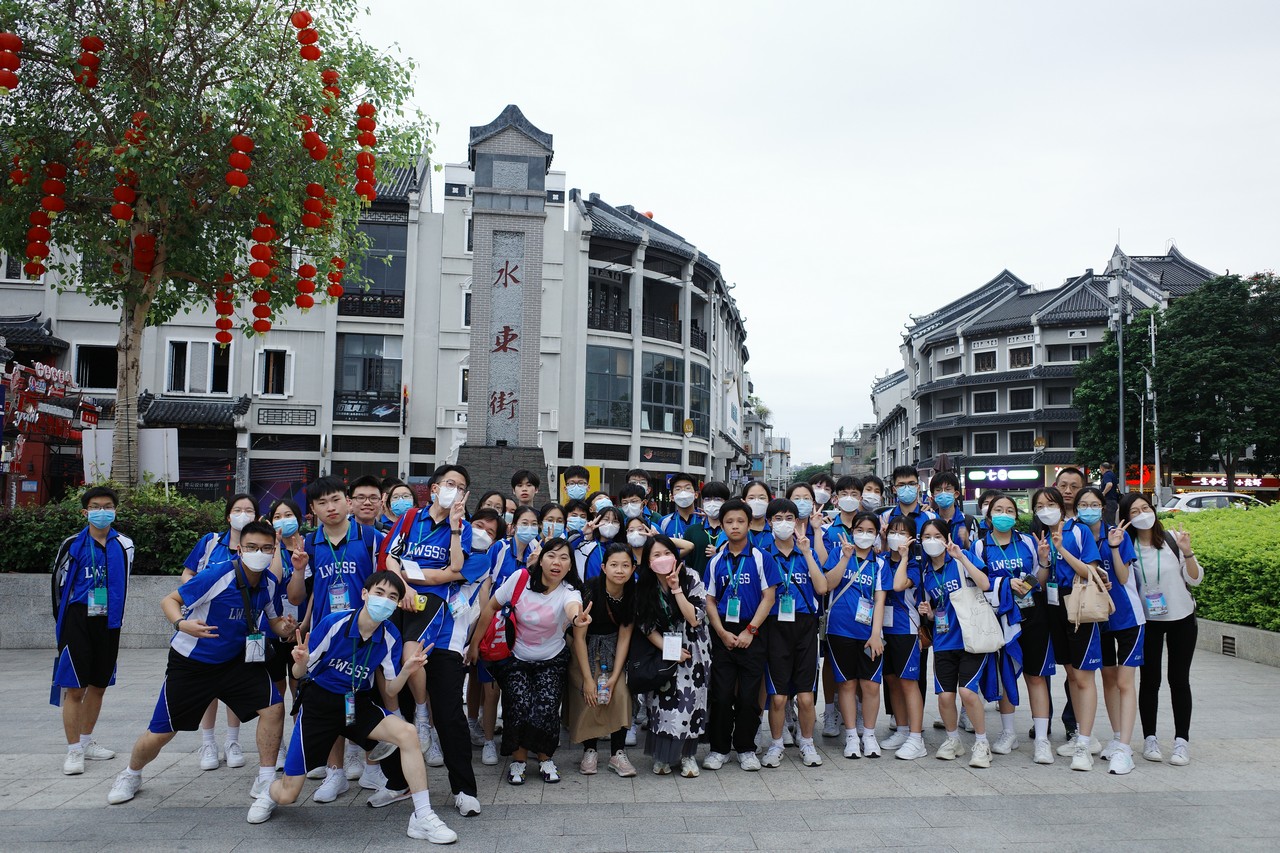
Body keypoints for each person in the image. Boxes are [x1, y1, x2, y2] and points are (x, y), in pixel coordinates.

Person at [248, 572, 457, 844]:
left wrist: (407, 670)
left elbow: (391, 690)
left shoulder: (390, 635)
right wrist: (300, 661)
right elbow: (299, 674)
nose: (385, 600)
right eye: (379, 593)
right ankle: (268, 792)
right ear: (364, 594)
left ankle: (423, 816)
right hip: (319, 703)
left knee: (408, 733)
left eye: (392, 597)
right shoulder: (334, 622)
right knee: (288, 794)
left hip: (356, 702)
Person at [107, 521, 294, 806]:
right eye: (252, 547)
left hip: (236, 662)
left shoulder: (268, 582)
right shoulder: (218, 574)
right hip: (193, 663)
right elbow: (169, 600)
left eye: (266, 548)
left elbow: (274, 621)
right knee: (161, 732)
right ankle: (131, 773)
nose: (259, 553)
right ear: (240, 549)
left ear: (273, 551)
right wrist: (182, 624)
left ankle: (266, 778)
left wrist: (286, 628)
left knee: (274, 707)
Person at [383, 464, 484, 818]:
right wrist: (407, 586)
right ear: (435, 487)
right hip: (403, 610)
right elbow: (391, 558)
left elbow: (454, 570)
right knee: (400, 704)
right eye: (449, 483)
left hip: (445, 631)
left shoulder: (466, 530)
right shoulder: (410, 518)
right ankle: (398, 782)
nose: (454, 490)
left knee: (450, 712)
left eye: (461, 486)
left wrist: (455, 528)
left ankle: (464, 789)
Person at [467, 538, 588, 785]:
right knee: (518, 705)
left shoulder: (570, 591)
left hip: (552, 658)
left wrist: (577, 619)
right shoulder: (520, 579)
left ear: (570, 565)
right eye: (551, 556)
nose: (557, 562)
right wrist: (475, 644)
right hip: (516, 657)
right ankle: (519, 760)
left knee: (546, 707)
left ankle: (545, 758)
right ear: (541, 560)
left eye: (564, 558)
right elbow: (490, 608)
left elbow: (573, 608)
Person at [289, 476, 383, 794]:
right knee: (330, 701)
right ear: (313, 509)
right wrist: (299, 569)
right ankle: (335, 773)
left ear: (348, 501)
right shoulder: (309, 544)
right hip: (327, 636)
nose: (330, 507)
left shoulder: (370, 538)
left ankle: (372, 769)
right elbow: (298, 597)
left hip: (365, 633)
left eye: (335, 499)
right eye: (322, 503)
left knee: (367, 699)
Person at [51, 485, 135, 775]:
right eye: (96, 507)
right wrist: (62, 624)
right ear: (85, 512)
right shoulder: (72, 544)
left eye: (108, 506)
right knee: (75, 687)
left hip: (108, 621)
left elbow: (124, 582)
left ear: (115, 510)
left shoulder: (125, 544)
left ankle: (86, 742)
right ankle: (73, 750)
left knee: (99, 685)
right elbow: (57, 585)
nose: (102, 511)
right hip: (77, 619)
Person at [972, 493, 1055, 764]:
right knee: (1005, 674)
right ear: (989, 516)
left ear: (1016, 516)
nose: (1004, 514)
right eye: (998, 510)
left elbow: (1040, 579)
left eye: (1009, 510)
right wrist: (1006, 585)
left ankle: (1041, 740)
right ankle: (1008, 733)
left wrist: (1043, 562)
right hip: (1001, 618)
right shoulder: (981, 546)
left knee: (1036, 677)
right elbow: (980, 583)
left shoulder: (1029, 542)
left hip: (1033, 615)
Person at [1121, 493, 1201, 767]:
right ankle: (1150, 739)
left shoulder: (1171, 540)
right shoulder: (1127, 546)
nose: (1142, 514)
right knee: (1149, 681)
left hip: (1182, 617)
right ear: (1127, 518)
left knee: (1179, 680)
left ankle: (1182, 741)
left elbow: (1195, 579)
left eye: (1145, 508)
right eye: (1134, 511)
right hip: (1148, 622)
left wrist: (1187, 551)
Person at [180, 492, 257, 772]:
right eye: (238, 510)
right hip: (207, 628)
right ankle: (208, 742)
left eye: (249, 510)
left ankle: (233, 742)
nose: (243, 515)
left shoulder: (257, 548)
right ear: (228, 516)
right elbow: (188, 574)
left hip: (240, 628)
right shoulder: (211, 542)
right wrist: (196, 593)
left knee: (234, 686)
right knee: (209, 689)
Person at [703, 498, 781, 772]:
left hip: (753, 631)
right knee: (722, 695)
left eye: (740, 521)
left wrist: (750, 631)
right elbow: (709, 600)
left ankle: (746, 748)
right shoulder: (716, 561)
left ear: (749, 524)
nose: (734, 526)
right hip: (723, 631)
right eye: (729, 522)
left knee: (749, 697)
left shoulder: (762, 558)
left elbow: (769, 598)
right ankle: (719, 748)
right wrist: (721, 632)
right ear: (722, 525)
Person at [1032, 486, 1103, 771]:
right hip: (1052, 606)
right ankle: (1079, 735)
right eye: (1040, 506)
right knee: (1071, 673)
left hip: (1078, 604)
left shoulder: (1079, 531)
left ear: (1062, 507)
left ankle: (1085, 743)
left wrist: (1061, 548)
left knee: (1084, 675)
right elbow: (1039, 581)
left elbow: (1091, 572)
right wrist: (1044, 559)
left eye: (1050, 504)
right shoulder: (1039, 537)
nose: (1045, 510)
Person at [1075, 486, 1143, 775]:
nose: (1089, 509)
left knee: (1125, 682)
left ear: (1103, 507)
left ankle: (1124, 749)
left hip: (1127, 617)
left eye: (1094, 504)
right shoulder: (1075, 536)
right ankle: (1117, 737)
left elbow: (1124, 577)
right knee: (1108, 678)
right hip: (1096, 618)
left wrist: (1114, 548)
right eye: (1084, 504)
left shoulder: (1117, 535)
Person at [918, 518, 995, 768]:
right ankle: (953, 740)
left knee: (968, 692)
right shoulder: (925, 573)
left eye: (937, 536)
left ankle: (982, 743)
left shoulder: (962, 559)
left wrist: (961, 557)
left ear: (947, 538)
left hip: (971, 638)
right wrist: (929, 613)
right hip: (943, 641)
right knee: (945, 696)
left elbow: (985, 584)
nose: (932, 541)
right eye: (927, 537)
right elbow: (936, 610)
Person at [634, 535, 711, 776]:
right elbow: (646, 627)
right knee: (662, 703)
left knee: (690, 702)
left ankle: (688, 756)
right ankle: (662, 756)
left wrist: (677, 589)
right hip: (663, 649)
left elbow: (694, 618)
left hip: (694, 649)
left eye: (667, 553)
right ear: (648, 562)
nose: (663, 558)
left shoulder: (691, 577)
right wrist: (671, 650)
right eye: (656, 555)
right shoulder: (644, 586)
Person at [760, 498, 828, 768]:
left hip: (805, 627)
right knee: (778, 697)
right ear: (769, 522)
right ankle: (776, 744)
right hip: (775, 627)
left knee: (806, 696)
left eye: (789, 518)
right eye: (778, 518)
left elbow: (821, 588)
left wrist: (808, 553)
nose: (784, 523)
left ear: (798, 522)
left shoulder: (805, 553)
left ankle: (807, 743)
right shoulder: (763, 554)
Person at [821, 511, 889, 759]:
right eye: (860, 530)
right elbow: (827, 585)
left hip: (869, 634)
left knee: (870, 685)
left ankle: (869, 735)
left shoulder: (880, 563)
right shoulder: (839, 554)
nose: (864, 535)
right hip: (839, 630)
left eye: (870, 531)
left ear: (877, 535)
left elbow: (880, 601)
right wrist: (845, 557)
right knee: (847, 684)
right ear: (852, 532)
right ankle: (850, 735)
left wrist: (876, 634)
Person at [567, 544, 637, 777]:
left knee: (620, 694)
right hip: (585, 648)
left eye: (625, 565)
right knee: (590, 696)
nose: (620, 570)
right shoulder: (590, 589)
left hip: (614, 649)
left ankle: (618, 752)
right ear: (604, 567)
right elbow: (579, 637)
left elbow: (625, 636)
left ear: (633, 568)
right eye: (614, 565)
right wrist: (588, 679)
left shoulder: (632, 593)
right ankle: (590, 750)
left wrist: (616, 676)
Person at [879, 516, 927, 760]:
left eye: (902, 533)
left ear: (911, 538)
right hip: (883, 630)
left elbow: (898, 586)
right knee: (891, 680)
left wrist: (905, 556)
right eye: (893, 532)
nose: (896, 536)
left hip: (905, 629)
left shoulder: (914, 565)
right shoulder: (880, 560)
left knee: (908, 682)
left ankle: (917, 738)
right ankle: (902, 729)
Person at [265, 497, 307, 769]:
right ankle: (277, 746)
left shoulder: (309, 546)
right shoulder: (269, 549)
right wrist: (277, 545)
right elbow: (274, 580)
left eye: (288, 515)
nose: (283, 520)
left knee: (300, 688)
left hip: (302, 629)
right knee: (276, 692)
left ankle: (299, 744)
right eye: (277, 516)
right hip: (273, 629)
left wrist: (303, 625)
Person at [884, 466, 937, 535]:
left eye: (911, 484)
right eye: (901, 485)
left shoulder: (931, 517)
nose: (907, 488)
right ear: (894, 489)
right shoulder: (885, 517)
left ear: (918, 487)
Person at [658, 472, 701, 539]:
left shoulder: (705, 519)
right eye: (678, 489)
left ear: (696, 494)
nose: (683, 492)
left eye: (687, 488)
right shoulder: (664, 522)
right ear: (672, 497)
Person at [740, 480, 774, 550]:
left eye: (762, 498)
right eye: (751, 498)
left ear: (769, 501)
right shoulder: (735, 528)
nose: (756, 502)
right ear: (743, 501)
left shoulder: (776, 529)